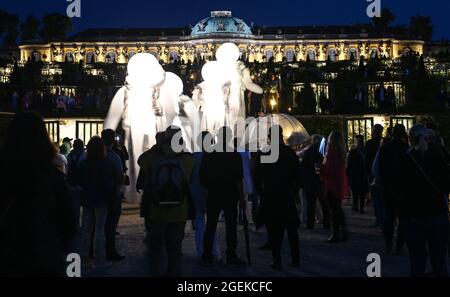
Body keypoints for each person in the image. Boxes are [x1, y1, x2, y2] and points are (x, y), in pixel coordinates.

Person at [0, 112, 76, 276]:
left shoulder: (5, 176)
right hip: (45, 262)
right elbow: (68, 228)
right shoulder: (53, 178)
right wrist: (73, 271)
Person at [139, 126, 194, 276]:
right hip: (179, 211)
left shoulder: (153, 157)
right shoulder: (188, 159)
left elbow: (140, 161)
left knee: (156, 249)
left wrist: (157, 147)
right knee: (175, 250)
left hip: (156, 211)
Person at [399, 124, 449, 276]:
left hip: (413, 216)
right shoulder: (435, 158)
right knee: (439, 260)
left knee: (417, 261)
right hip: (435, 214)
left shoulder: (405, 160)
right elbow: (446, 183)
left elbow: (399, 188)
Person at [255, 126, 301, 270]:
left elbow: (257, 177)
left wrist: (261, 192)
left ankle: (277, 260)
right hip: (286, 194)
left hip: (270, 195)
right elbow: (298, 176)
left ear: (269, 137)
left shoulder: (264, 153)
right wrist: (294, 192)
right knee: (292, 230)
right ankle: (295, 259)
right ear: (281, 135)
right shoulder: (289, 153)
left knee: (274, 230)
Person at [200, 126, 245, 266]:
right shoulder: (234, 154)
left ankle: (207, 255)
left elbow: (202, 176)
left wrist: (210, 186)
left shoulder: (209, 153)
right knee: (231, 226)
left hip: (214, 193)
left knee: (211, 225)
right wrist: (242, 197)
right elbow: (238, 179)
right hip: (230, 194)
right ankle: (231, 254)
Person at [78, 136, 117, 268]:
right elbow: (108, 184)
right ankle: (99, 258)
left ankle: (84, 258)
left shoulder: (84, 163)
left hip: (87, 199)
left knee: (86, 229)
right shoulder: (105, 163)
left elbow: (78, 181)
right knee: (100, 229)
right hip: (101, 200)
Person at [379, 124, 409, 254]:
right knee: (402, 218)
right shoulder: (406, 148)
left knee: (389, 217)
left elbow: (381, 167)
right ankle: (399, 245)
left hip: (389, 186)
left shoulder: (385, 148)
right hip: (402, 188)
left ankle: (388, 244)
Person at [190, 132, 221, 259]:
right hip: (212, 195)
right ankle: (215, 251)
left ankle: (200, 251)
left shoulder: (194, 158)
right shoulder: (216, 157)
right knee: (212, 226)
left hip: (197, 195)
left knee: (199, 225)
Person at [137, 131, 166, 243]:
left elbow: (142, 164)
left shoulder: (151, 153)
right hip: (163, 186)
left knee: (149, 211)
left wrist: (140, 183)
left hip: (151, 186)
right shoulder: (169, 152)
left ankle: (151, 233)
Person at [101, 129, 125, 262]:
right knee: (110, 226)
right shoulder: (113, 156)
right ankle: (109, 252)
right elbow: (119, 177)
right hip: (111, 196)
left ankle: (93, 252)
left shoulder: (89, 155)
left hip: (93, 197)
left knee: (96, 226)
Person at [320, 131, 349, 243]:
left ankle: (335, 233)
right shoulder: (341, 153)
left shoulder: (331, 153)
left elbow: (329, 171)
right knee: (338, 209)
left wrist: (321, 168)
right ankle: (342, 232)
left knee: (334, 210)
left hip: (332, 184)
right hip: (339, 183)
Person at [301, 134, 330, 229]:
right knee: (323, 203)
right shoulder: (323, 152)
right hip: (320, 180)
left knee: (311, 203)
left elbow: (303, 166)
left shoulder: (308, 152)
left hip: (310, 181)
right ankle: (327, 223)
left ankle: (310, 224)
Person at [66, 139, 85, 253]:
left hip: (71, 184)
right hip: (80, 184)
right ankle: (80, 227)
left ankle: (75, 226)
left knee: (74, 207)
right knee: (83, 207)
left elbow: (68, 169)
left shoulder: (69, 155)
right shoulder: (83, 156)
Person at [347, 135, 369, 213]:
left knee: (359, 192)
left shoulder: (355, 152)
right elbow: (349, 164)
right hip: (357, 174)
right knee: (356, 192)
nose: (360, 144)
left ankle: (359, 206)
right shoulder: (359, 151)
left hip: (359, 174)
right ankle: (357, 206)